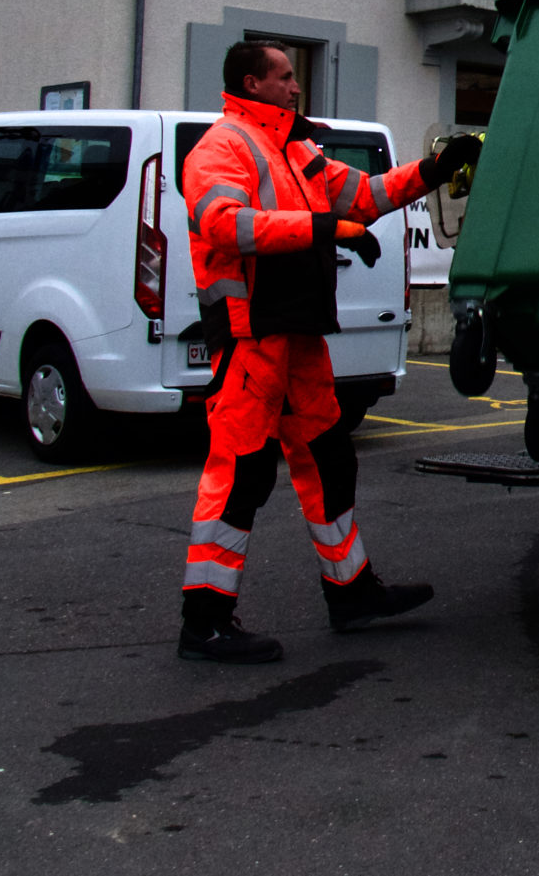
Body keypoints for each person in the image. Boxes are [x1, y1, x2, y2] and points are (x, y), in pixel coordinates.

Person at [175, 40, 480, 663]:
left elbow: (363, 197)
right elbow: (223, 225)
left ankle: (351, 593)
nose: (295, 86)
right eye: (285, 76)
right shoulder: (222, 147)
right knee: (242, 472)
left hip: (297, 333)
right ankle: (204, 621)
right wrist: (323, 229)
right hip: (250, 333)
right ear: (251, 83)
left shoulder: (298, 150)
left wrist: (435, 170)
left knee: (330, 460)